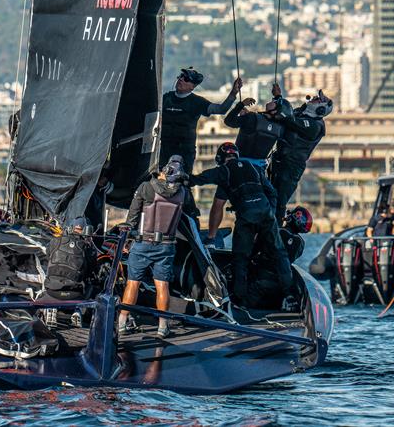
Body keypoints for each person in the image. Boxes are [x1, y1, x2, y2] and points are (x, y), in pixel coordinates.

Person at [187, 142, 294, 308]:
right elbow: (272, 193)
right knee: (279, 254)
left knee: (240, 259)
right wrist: (271, 213)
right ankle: (290, 294)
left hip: (246, 217)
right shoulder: (253, 167)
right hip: (267, 214)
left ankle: (239, 301)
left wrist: (184, 180)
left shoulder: (225, 170)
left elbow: (202, 180)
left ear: (220, 159)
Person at [206, 85, 289, 245]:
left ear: (275, 111)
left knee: (219, 202)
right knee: (258, 206)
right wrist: (279, 96)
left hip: (236, 169)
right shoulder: (279, 129)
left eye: (274, 102)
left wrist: (240, 105)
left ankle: (211, 237)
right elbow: (284, 112)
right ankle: (261, 240)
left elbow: (228, 121)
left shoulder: (252, 119)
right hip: (257, 173)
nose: (271, 101)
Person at [118, 155, 187, 338]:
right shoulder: (183, 192)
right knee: (162, 286)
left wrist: (125, 240)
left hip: (143, 243)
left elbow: (132, 218)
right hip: (166, 246)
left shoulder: (146, 188)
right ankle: (163, 327)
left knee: (133, 283)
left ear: (165, 170)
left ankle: (122, 323)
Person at [159, 67, 242, 174]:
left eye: (186, 79)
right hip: (164, 149)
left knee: (183, 182)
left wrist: (233, 92)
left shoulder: (197, 102)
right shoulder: (166, 98)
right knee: (160, 180)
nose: (181, 80)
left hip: (185, 151)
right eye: (181, 77)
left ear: (192, 86)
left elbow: (221, 109)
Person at [268, 89, 332, 221]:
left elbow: (289, 120)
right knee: (268, 195)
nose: (313, 98)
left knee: (279, 201)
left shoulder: (315, 126)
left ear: (321, 109)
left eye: (317, 99)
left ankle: (275, 232)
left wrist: (279, 97)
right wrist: (277, 100)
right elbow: (285, 113)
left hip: (292, 166)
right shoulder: (300, 112)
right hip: (279, 160)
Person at [244, 206, 311, 310]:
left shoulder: (277, 232)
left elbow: (254, 249)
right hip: (282, 285)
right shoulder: (300, 243)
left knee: (243, 303)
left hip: (261, 279)